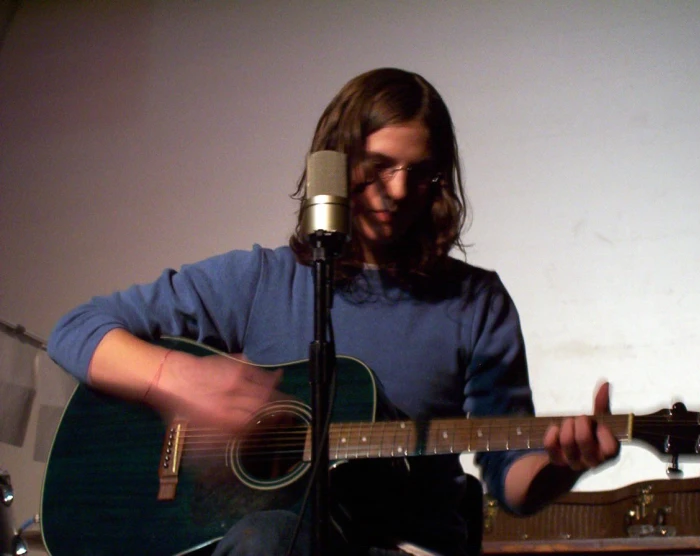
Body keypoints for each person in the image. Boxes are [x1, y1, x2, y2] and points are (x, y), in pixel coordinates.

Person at [47, 68, 619, 556]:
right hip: (256, 538)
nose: (396, 191)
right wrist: (177, 378)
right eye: (377, 166)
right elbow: (75, 331)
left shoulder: (475, 302)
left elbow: (510, 481)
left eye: (419, 174)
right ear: (337, 163)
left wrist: (565, 463)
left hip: (400, 545)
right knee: (268, 537)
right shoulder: (260, 279)